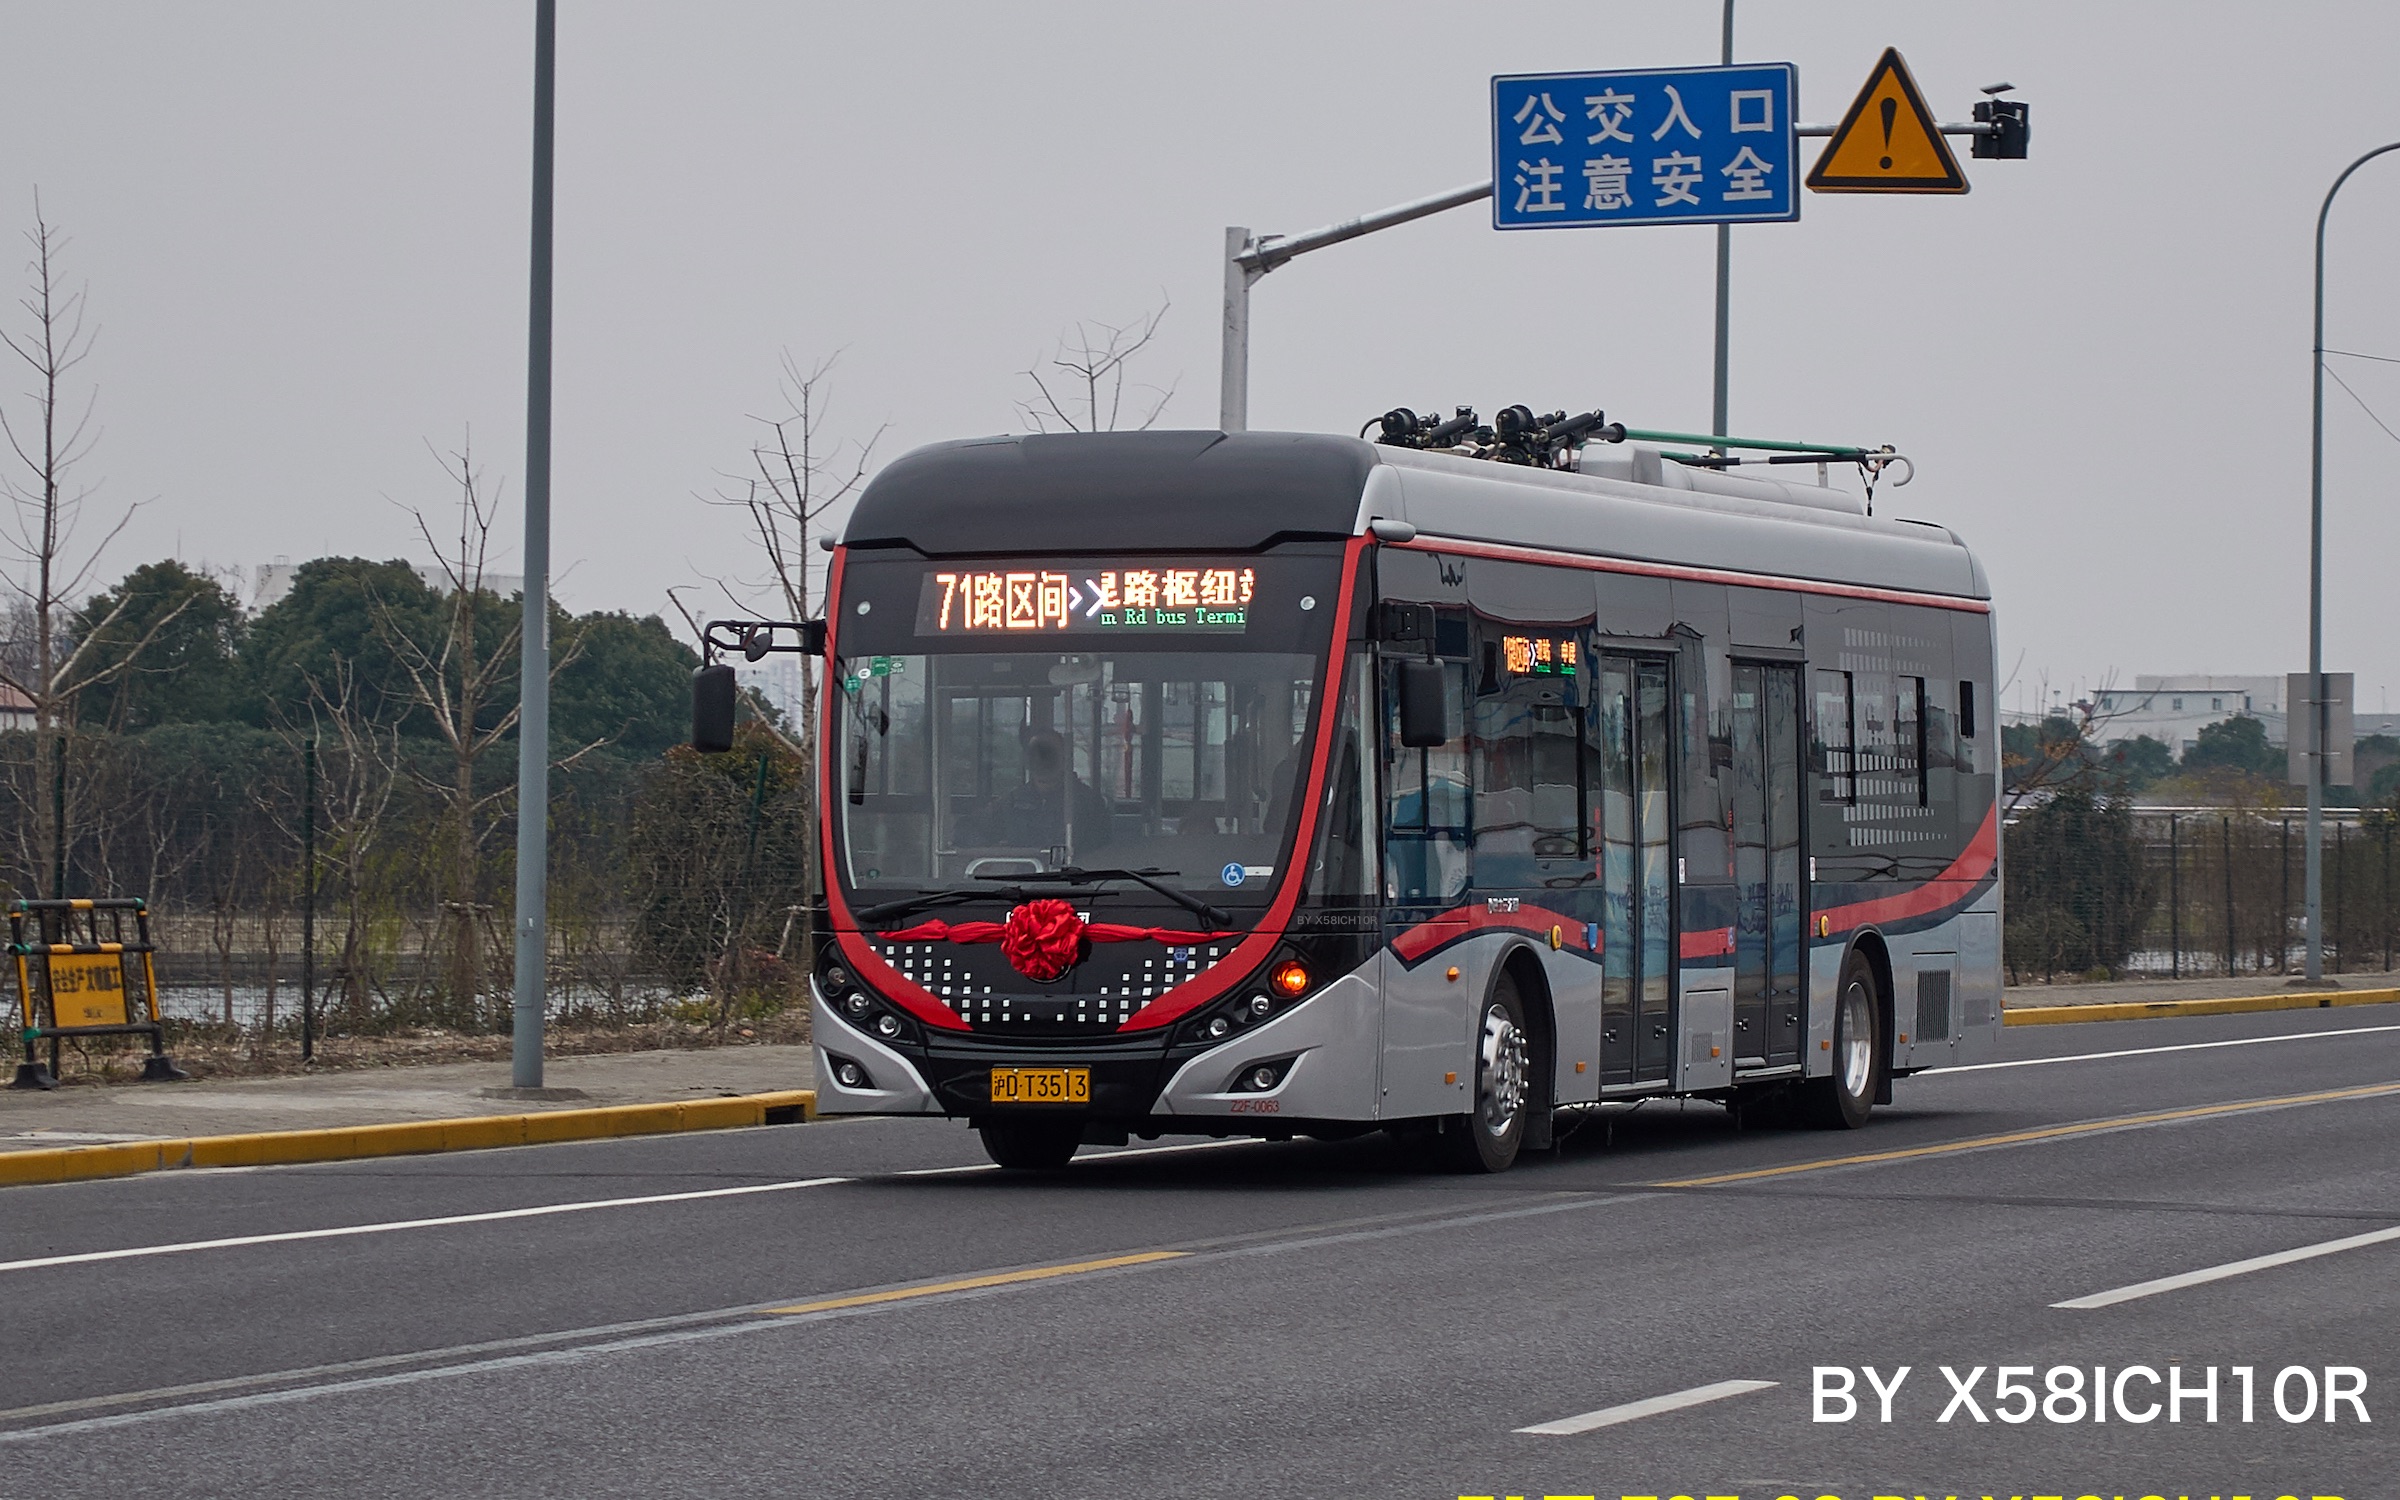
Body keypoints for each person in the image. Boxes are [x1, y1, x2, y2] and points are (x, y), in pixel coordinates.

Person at [982, 728, 1113, 855]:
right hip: (1022, 875)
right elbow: (974, 834)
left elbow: (1101, 857)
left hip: (1072, 875)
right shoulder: (1012, 801)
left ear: (1065, 758)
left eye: (1048, 753)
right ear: (1027, 760)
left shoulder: (1089, 803)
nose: (1042, 759)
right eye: (1036, 753)